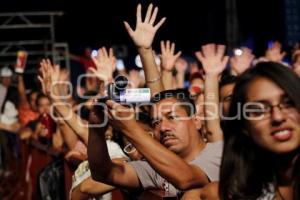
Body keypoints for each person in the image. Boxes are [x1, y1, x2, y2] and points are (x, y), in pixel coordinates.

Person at [193, 61, 300, 199]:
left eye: (288, 103)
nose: (277, 117)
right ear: (245, 127)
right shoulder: (243, 191)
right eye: (258, 110)